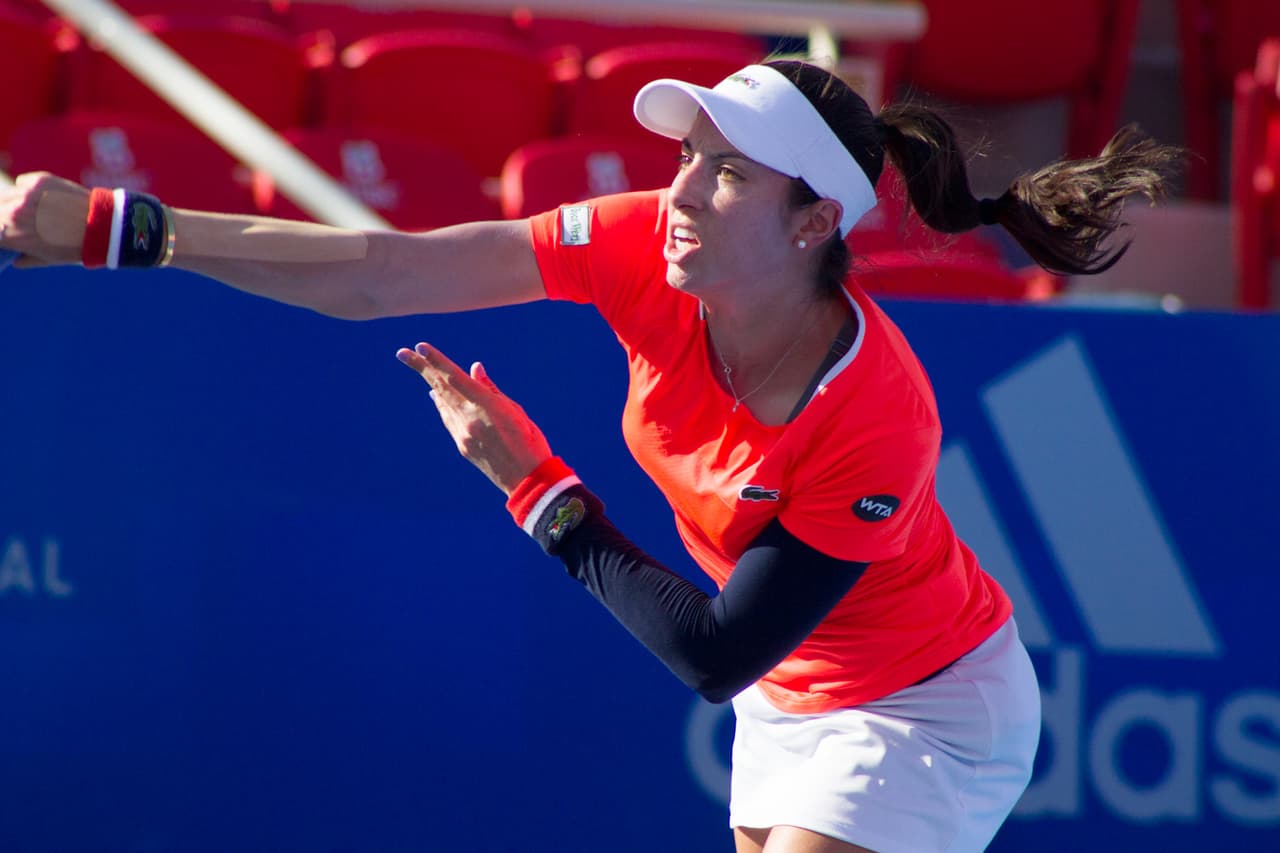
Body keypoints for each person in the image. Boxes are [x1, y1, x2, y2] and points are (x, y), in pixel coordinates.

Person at [0, 58, 1180, 853]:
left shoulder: (876, 411)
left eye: (727, 172)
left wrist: (535, 487)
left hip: (926, 708)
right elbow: (382, 270)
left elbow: (714, 650)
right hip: (792, 697)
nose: (681, 191)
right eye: (687, 156)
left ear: (814, 222)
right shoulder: (633, 242)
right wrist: (121, 233)